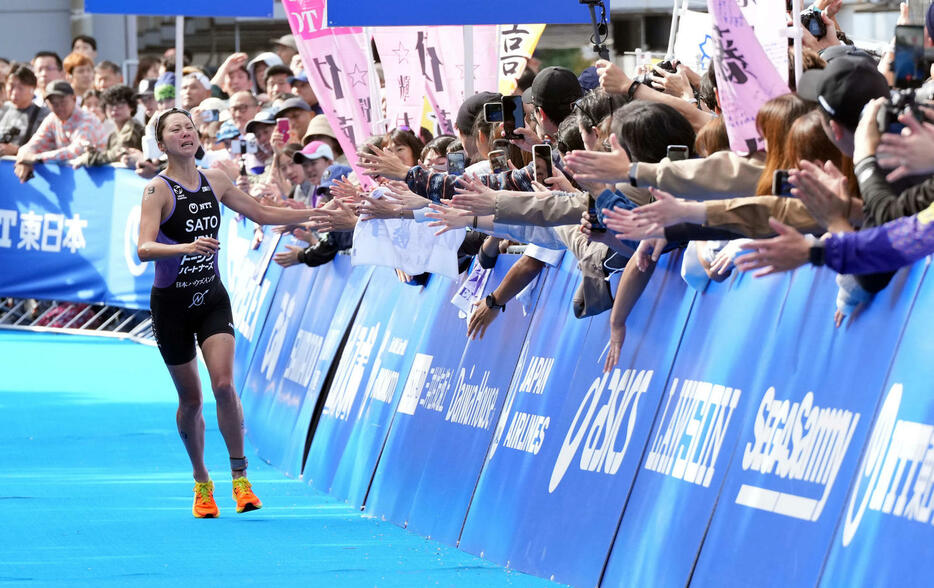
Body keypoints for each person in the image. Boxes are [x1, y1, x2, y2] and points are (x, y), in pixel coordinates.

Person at [136, 108, 321, 518]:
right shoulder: (157, 190)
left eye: (189, 127)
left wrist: (316, 214)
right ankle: (202, 481)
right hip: (171, 307)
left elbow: (264, 214)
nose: (185, 134)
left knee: (223, 385)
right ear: (162, 142)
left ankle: (241, 479)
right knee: (191, 398)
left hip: (212, 298)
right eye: (175, 130)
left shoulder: (215, 179)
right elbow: (143, 248)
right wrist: (185, 248)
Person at [14, 80, 108, 182]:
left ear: (74, 99)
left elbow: (76, 151)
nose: (59, 107)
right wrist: (24, 158)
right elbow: (35, 143)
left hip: (99, 178)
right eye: (54, 103)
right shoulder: (52, 118)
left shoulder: (88, 120)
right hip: (72, 180)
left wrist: (36, 158)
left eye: (63, 102)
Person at [0, 65, 49, 157]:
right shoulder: (3, 109)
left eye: (20, 88)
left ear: (32, 89)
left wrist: (17, 150)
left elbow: (46, 147)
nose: (14, 92)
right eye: (11, 86)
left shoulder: (43, 115)